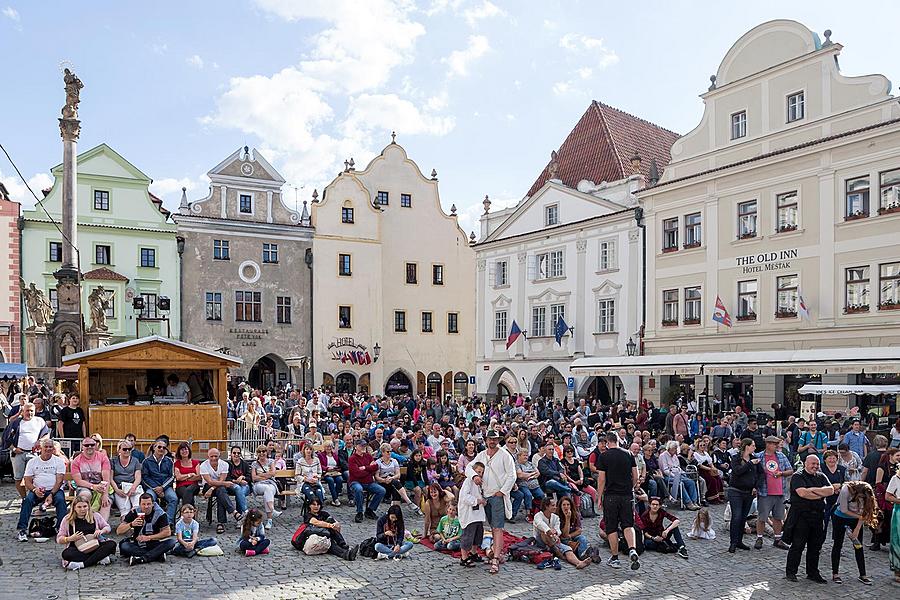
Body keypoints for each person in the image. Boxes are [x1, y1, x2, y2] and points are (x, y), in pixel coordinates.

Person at [465, 429, 517, 575]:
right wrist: (475, 476)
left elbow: (511, 476)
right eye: (490, 439)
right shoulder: (481, 455)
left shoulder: (505, 455)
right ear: (486, 440)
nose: (492, 441)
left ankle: (495, 558)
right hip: (484, 496)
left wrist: (502, 491)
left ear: (498, 440)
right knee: (489, 526)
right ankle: (495, 552)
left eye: (494, 439)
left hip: (497, 495)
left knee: (497, 527)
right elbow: (469, 468)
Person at [783, 455, 835, 583]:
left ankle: (812, 572)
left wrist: (812, 490)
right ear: (805, 463)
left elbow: (831, 490)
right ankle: (791, 572)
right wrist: (819, 493)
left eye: (817, 464)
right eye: (813, 464)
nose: (815, 466)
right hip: (801, 516)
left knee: (815, 547)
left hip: (817, 516)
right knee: (798, 545)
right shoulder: (798, 476)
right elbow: (802, 493)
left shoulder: (821, 476)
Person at [596, 432, 641, 570]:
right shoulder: (628, 454)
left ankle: (615, 558)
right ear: (617, 441)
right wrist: (631, 487)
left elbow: (602, 479)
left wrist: (599, 497)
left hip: (611, 496)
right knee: (628, 525)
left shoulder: (604, 456)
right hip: (627, 495)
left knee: (612, 527)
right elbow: (636, 475)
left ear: (608, 442)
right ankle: (632, 549)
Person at [16, 438, 67, 542]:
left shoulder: (58, 461)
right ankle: (22, 530)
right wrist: (35, 490)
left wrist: (51, 494)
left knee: (61, 501)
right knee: (27, 500)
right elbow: (27, 480)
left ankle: (61, 529)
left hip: (54, 490)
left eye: (50, 447)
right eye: (46, 447)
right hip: (37, 490)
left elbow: (59, 481)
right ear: (40, 448)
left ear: (53, 449)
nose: (48, 449)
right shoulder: (32, 462)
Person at [830, 481, 877, 584]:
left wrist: (857, 529)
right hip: (840, 517)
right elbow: (843, 509)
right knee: (838, 545)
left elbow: (864, 512)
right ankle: (835, 573)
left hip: (855, 519)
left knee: (858, 546)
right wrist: (860, 516)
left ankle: (863, 574)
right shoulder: (846, 489)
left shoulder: (867, 494)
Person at [116, 493, 178, 566]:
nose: (146, 506)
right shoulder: (134, 512)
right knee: (124, 546)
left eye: (148, 504)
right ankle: (157, 555)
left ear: (153, 504)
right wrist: (131, 524)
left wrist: (148, 538)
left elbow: (167, 532)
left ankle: (142, 558)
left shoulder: (160, 514)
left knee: (171, 542)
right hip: (137, 544)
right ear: (139, 505)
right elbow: (118, 531)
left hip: (154, 543)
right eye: (143, 504)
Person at [754, 435, 793, 551]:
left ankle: (777, 539)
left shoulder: (781, 456)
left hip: (779, 491)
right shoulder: (759, 456)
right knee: (762, 517)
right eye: (774, 444)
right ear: (768, 444)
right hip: (765, 491)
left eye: (777, 444)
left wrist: (781, 473)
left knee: (778, 517)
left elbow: (790, 470)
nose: (777, 446)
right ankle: (759, 538)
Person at [56, 497, 116, 570]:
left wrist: (101, 531)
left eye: (85, 506)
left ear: (88, 506)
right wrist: (70, 538)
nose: (82, 509)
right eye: (79, 507)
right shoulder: (67, 519)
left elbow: (107, 527)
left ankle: (82, 564)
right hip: (78, 548)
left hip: (95, 545)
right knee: (66, 554)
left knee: (111, 544)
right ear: (74, 508)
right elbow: (59, 539)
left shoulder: (95, 516)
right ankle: (98, 558)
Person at [532, 497, 591, 569]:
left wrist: (556, 533)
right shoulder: (538, 515)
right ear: (546, 506)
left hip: (554, 541)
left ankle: (578, 562)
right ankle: (558, 552)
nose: (555, 507)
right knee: (544, 533)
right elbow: (540, 524)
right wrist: (550, 531)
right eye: (553, 505)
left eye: (555, 505)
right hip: (541, 542)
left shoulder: (555, 517)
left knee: (567, 548)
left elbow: (558, 531)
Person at [9, 402, 50, 498]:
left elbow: (46, 434)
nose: (29, 413)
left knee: (35, 477)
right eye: (27, 410)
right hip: (18, 453)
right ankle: (24, 498)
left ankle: (34, 497)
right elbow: (6, 438)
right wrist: (14, 448)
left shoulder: (39, 421)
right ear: (22, 411)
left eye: (32, 411)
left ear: (35, 411)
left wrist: (40, 441)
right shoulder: (16, 422)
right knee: (18, 478)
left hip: (33, 453)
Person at [199, 448, 240, 534]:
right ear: (208, 456)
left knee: (220, 491)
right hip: (207, 487)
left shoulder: (224, 464)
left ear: (219, 456)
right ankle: (232, 513)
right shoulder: (203, 465)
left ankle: (221, 523)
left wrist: (213, 488)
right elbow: (209, 482)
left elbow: (221, 481)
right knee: (221, 490)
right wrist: (218, 485)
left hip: (215, 488)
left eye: (216, 456)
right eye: (211, 456)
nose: (214, 458)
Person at [70, 436, 112, 522]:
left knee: (106, 502)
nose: (89, 447)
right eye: (87, 445)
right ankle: (83, 523)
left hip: (102, 486)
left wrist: (105, 495)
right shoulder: (76, 461)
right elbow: (78, 481)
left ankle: (100, 528)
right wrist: (93, 486)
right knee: (85, 496)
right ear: (82, 447)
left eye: (92, 444)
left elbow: (106, 479)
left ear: (96, 445)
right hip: (85, 486)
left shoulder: (103, 457)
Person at [727, 439, 757, 553]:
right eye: (753, 445)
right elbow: (737, 471)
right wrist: (749, 464)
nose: (754, 447)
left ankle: (739, 541)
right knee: (737, 516)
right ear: (747, 447)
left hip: (748, 492)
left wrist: (756, 485)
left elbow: (759, 474)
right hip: (736, 491)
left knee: (743, 517)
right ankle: (733, 542)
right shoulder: (736, 458)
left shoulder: (754, 458)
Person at [348, 439, 386, 523]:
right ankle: (359, 512)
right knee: (358, 489)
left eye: (364, 445)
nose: (363, 447)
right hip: (356, 481)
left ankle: (370, 510)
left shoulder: (368, 456)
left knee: (381, 490)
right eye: (361, 445)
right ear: (356, 447)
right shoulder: (352, 459)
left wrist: (365, 468)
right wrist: (369, 469)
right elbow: (357, 473)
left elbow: (375, 467)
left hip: (368, 482)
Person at [374, 443, 419, 513]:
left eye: (390, 451)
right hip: (383, 482)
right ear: (383, 452)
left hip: (393, 480)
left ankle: (392, 511)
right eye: (388, 451)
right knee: (396, 484)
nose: (390, 453)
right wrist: (384, 480)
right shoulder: (378, 462)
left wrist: (391, 478)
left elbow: (398, 474)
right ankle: (409, 502)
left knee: (395, 485)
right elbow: (377, 477)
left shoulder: (394, 461)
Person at [458, 461, 487, 567]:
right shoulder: (468, 482)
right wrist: (478, 501)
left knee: (477, 535)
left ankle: (473, 553)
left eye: (481, 472)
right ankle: (464, 557)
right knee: (468, 536)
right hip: (469, 514)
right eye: (478, 472)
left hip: (478, 514)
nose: (480, 474)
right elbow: (464, 497)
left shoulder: (480, 483)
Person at [141, 439, 178, 525]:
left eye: (164, 447)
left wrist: (162, 488)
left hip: (165, 487)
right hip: (152, 487)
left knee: (173, 498)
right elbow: (144, 477)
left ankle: (168, 523)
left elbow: (172, 476)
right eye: (159, 447)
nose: (162, 449)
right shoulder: (146, 461)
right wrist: (155, 489)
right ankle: (152, 523)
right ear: (154, 448)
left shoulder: (169, 461)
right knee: (149, 500)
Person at [251, 445, 282, 529]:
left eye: (263, 451)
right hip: (258, 485)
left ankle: (270, 520)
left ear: (266, 452)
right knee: (267, 489)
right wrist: (266, 476)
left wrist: (260, 475)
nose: (262, 453)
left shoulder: (271, 461)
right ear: (257, 453)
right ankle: (272, 511)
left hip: (271, 483)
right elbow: (254, 477)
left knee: (267, 492)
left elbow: (273, 473)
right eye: (259, 452)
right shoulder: (254, 464)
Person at [110, 439, 143, 517]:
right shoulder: (113, 461)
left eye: (129, 449)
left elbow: (138, 477)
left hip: (133, 487)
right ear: (119, 450)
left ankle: (138, 527)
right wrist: (117, 490)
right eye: (124, 449)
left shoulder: (135, 461)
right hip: (119, 489)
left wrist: (133, 488)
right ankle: (125, 527)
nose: (127, 451)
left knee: (137, 507)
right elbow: (110, 478)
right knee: (125, 509)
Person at [557, 494, 589, 559]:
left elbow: (579, 530)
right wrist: (567, 519)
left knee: (582, 538)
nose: (566, 507)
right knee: (565, 541)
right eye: (564, 505)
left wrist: (570, 536)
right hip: (562, 539)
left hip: (572, 536)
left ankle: (581, 556)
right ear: (560, 506)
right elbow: (564, 534)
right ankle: (586, 553)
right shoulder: (557, 516)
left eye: (568, 505)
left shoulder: (576, 514)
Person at [173, 442, 201, 512]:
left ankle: (184, 513)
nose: (184, 451)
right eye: (182, 450)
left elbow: (199, 476)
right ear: (179, 452)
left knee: (188, 490)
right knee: (187, 492)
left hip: (194, 485)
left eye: (186, 449)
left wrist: (184, 478)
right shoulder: (177, 463)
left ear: (189, 451)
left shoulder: (195, 462)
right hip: (180, 486)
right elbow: (178, 478)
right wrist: (189, 475)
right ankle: (191, 514)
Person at [225, 445, 251, 518]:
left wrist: (243, 477)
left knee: (240, 492)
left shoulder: (245, 464)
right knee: (238, 488)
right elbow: (226, 478)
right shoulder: (228, 464)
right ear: (231, 454)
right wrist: (237, 481)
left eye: (238, 453)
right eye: (234, 453)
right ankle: (245, 512)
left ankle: (240, 517)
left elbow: (249, 477)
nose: (236, 454)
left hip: (244, 485)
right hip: (232, 485)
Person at [885, 461, 900, 585]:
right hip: (899, 512)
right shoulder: (895, 479)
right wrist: (898, 500)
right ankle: (898, 569)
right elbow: (888, 496)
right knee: (898, 540)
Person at [317, 440, 345, 507]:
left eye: (330, 446)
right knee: (330, 480)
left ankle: (335, 496)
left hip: (335, 472)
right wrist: (327, 468)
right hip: (326, 472)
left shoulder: (335, 455)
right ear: (324, 447)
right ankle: (335, 499)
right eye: (327, 446)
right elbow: (320, 465)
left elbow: (338, 464)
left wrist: (336, 468)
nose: (328, 448)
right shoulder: (321, 455)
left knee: (340, 479)